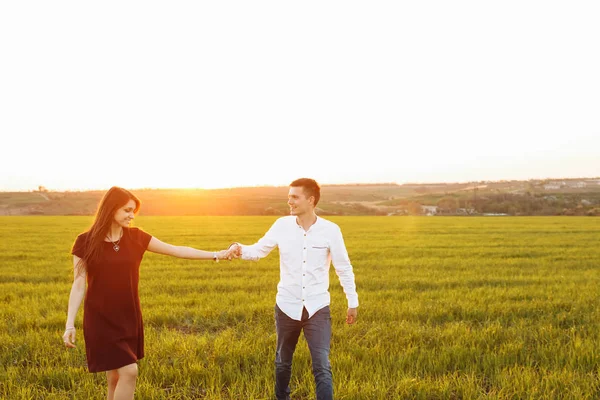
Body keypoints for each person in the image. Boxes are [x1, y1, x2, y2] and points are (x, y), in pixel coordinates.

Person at [62, 186, 234, 400]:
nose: (131, 216)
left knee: (115, 376)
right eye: (126, 210)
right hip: (100, 319)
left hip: (128, 317)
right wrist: (70, 324)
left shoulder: (136, 237)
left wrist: (217, 255)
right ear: (111, 208)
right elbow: (79, 284)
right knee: (129, 371)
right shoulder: (84, 241)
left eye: (133, 211)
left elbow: (177, 250)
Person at [230, 178, 359, 400]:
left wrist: (352, 302)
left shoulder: (331, 230)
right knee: (282, 363)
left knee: (322, 366)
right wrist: (239, 249)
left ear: (311, 200)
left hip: (317, 307)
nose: (289, 201)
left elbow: (343, 268)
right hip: (286, 306)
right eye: (289, 196)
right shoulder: (281, 225)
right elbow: (259, 251)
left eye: (294, 197)